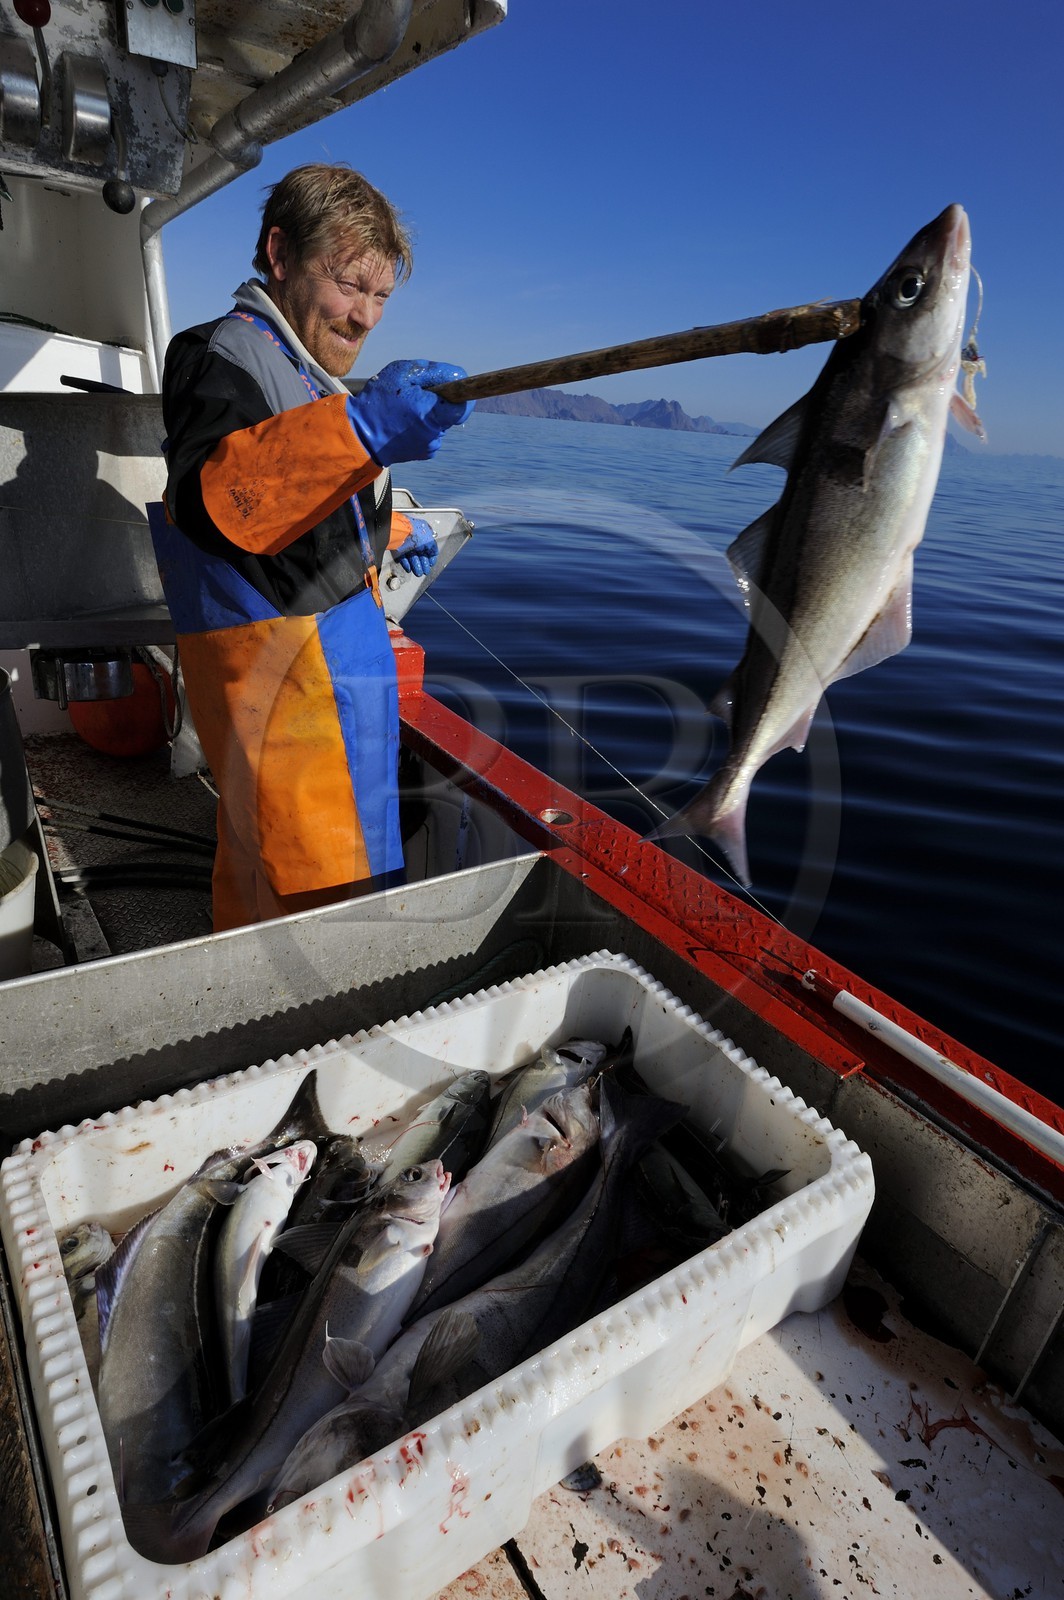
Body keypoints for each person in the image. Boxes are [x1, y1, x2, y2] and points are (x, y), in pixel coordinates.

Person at [151, 164, 473, 931]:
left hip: (337, 684)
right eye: (346, 284)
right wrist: (362, 429)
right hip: (291, 709)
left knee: (305, 897)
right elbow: (213, 500)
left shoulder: (305, 373)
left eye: (380, 295)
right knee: (317, 925)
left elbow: (303, 516)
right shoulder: (216, 355)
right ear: (279, 254)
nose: (364, 318)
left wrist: (399, 530)